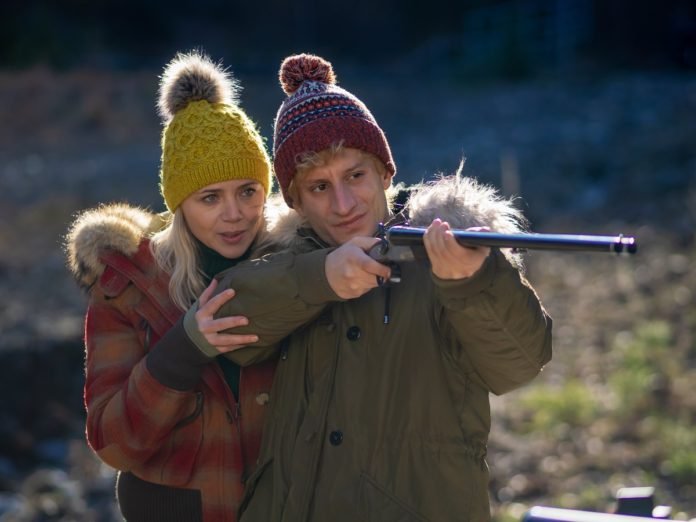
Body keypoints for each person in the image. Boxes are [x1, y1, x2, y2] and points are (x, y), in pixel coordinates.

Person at [186, 53, 553, 521]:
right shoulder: (283, 259)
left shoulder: (448, 253)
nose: (343, 204)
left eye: (355, 176)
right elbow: (226, 316)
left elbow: (519, 365)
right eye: (319, 187)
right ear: (295, 200)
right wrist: (321, 278)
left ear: (384, 172)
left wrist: (471, 283)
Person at [64, 51, 280, 522]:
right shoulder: (128, 286)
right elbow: (112, 443)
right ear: (180, 204)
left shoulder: (290, 265)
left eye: (248, 191)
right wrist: (184, 349)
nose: (235, 214)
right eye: (210, 198)